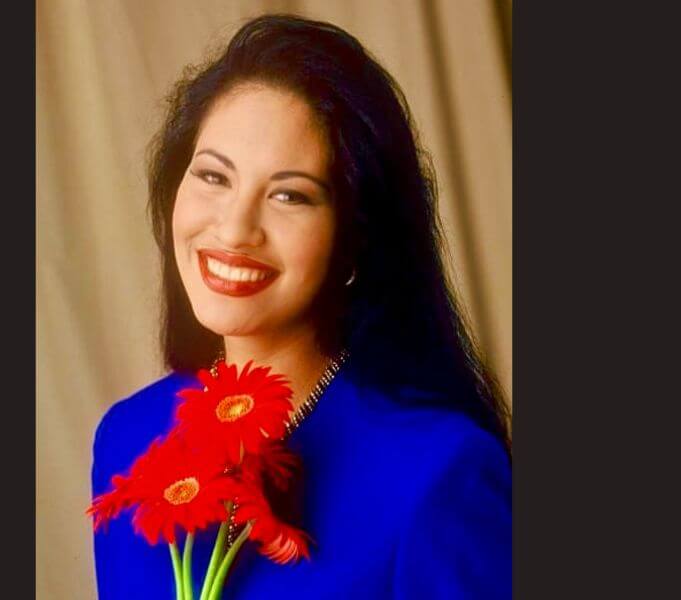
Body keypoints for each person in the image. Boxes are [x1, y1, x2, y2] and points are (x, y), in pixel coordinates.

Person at [92, 14, 511, 599]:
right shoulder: (127, 440)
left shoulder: (439, 472)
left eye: (290, 195)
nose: (235, 229)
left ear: (357, 237)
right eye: (213, 177)